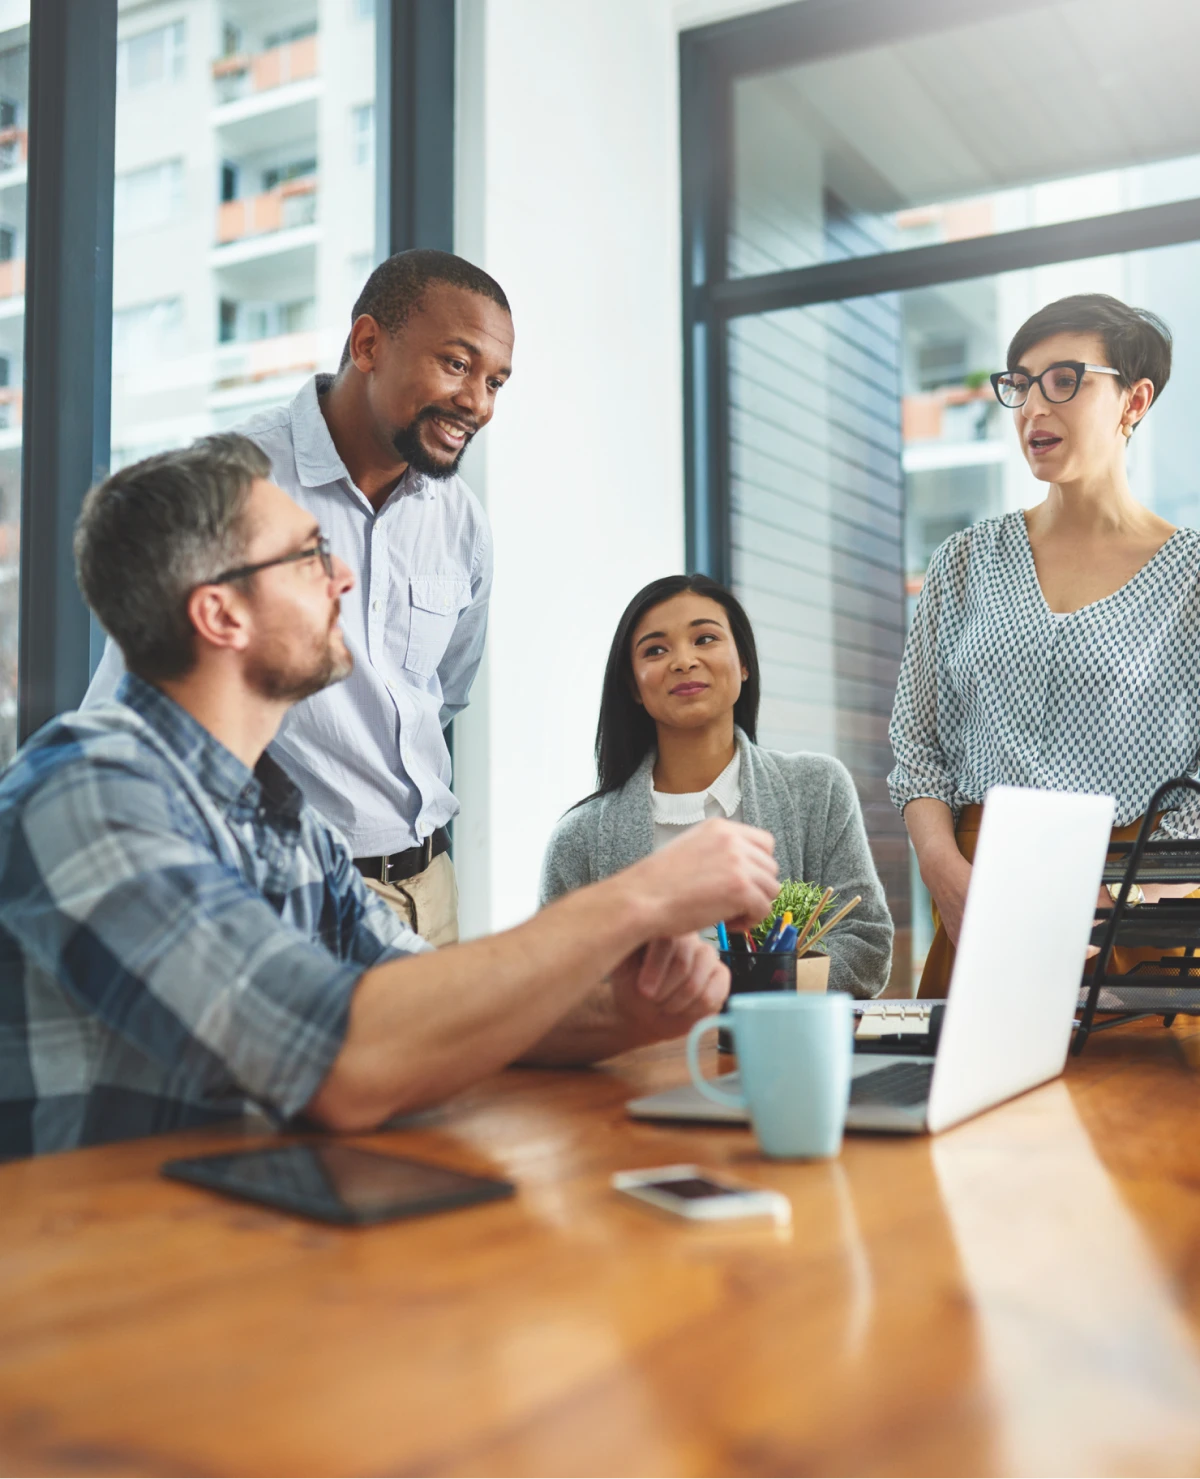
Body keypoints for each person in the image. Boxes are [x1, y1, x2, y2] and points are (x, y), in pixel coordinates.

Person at [0, 439, 779, 1160]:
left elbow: (426, 1004)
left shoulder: (287, 818)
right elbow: (344, 1056)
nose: (344, 577)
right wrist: (638, 898)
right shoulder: (89, 791)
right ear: (220, 613)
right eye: (309, 557)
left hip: (243, 1242)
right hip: (98, 1280)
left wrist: (630, 1013)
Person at [86, 249, 511, 947]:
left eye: (496, 380)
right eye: (457, 364)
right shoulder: (239, 483)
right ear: (368, 343)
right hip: (281, 890)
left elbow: (443, 693)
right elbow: (134, 704)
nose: (479, 402)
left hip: (432, 889)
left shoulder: (462, 522)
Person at [890, 293, 1200, 997]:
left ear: (1134, 400)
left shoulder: (1194, 578)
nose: (1034, 406)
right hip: (978, 903)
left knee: (1132, 1108)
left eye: (1064, 380)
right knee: (967, 1105)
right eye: (1020, 384)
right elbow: (918, 751)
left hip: (1135, 928)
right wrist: (945, 875)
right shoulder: (963, 562)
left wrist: (1130, 893)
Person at [540, 575, 893, 998]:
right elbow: (553, 982)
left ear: (744, 663)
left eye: (705, 639)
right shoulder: (578, 839)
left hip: (776, 1054)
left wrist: (749, 989)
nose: (683, 661)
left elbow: (866, 945)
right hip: (639, 1061)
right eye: (655, 650)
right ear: (633, 685)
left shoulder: (818, 788)